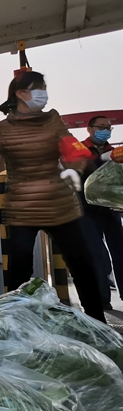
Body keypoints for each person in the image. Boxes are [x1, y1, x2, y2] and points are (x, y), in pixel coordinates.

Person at [0, 71, 106, 322]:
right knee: (19, 269)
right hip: (24, 207)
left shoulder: (52, 119)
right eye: (39, 88)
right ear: (21, 94)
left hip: (60, 203)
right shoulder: (0, 129)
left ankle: (96, 321)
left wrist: (72, 168)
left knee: (82, 263)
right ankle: (18, 323)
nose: (44, 94)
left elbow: (69, 146)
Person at [78, 115, 123, 309]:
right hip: (86, 209)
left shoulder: (115, 152)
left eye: (108, 128)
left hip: (110, 209)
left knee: (120, 252)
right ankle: (102, 299)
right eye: (101, 127)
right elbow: (83, 166)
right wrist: (105, 158)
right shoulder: (79, 149)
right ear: (89, 129)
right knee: (96, 253)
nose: (105, 130)